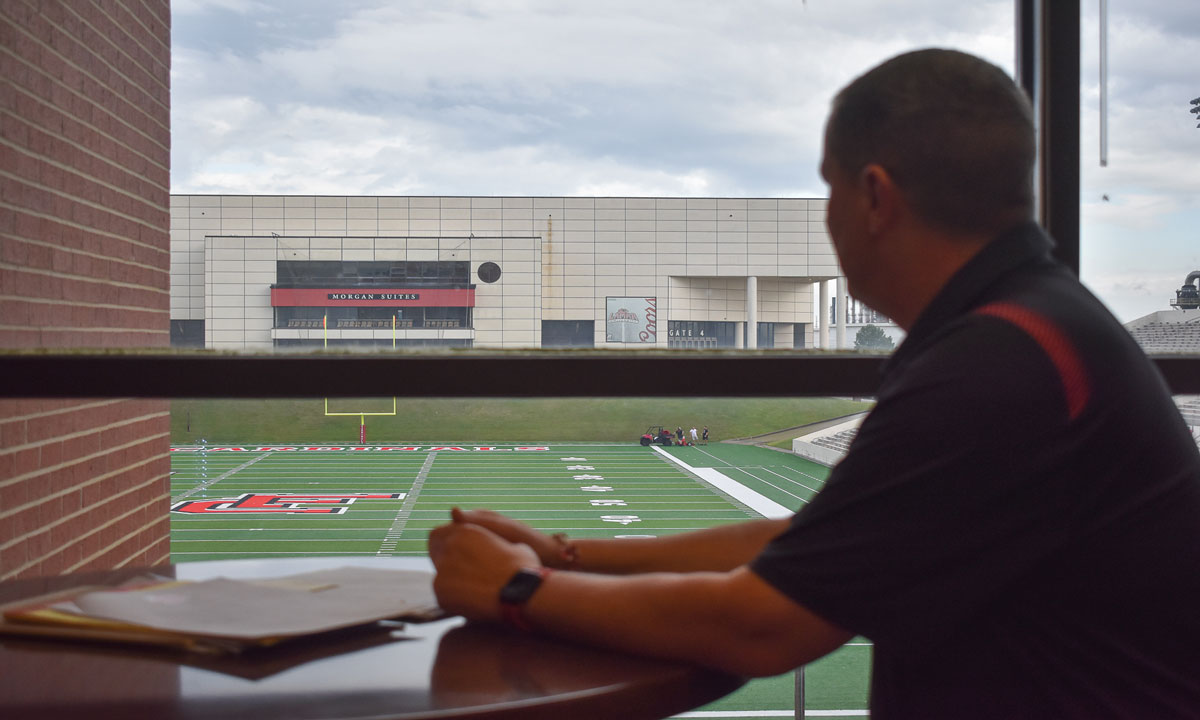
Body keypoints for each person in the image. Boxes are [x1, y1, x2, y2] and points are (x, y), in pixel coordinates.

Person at [429, 48, 1200, 718]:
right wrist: (569, 558)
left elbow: (763, 625)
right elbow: (811, 543)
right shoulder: (1026, 330)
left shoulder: (998, 365)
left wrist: (517, 593)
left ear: (873, 197)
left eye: (828, 191)